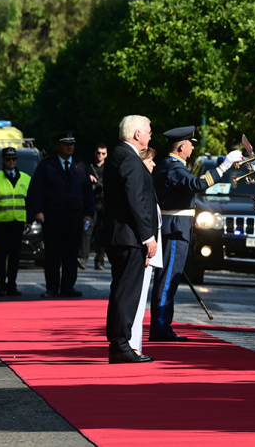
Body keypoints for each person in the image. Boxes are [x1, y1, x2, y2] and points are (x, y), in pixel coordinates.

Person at [150, 126, 243, 341]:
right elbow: (197, 184)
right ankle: (161, 327)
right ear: (182, 146)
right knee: (167, 281)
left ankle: (162, 326)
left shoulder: (173, 166)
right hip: (174, 229)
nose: (192, 147)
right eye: (190, 143)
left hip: (176, 227)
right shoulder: (174, 168)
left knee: (169, 279)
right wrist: (224, 167)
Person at [101, 115, 159, 364]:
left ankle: (119, 343)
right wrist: (148, 236)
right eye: (147, 131)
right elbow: (136, 202)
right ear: (136, 134)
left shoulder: (118, 154)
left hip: (120, 235)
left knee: (122, 289)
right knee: (127, 291)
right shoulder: (130, 159)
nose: (149, 135)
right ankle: (120, 344)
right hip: (128, 237)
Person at [28, 131, 95, 298]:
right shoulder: (47, 165)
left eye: (72, 143)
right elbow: (35, 190)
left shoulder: (80, 165)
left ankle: (68, 287)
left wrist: (88, 213)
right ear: (58, 146)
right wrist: (38, 211)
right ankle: (52, 287)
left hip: (74, 214)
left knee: (71, 252)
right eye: (66, 143)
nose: (70, 146)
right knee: (52, 253)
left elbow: (87, 191)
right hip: (53, 215)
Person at [131, 147, 162, 355]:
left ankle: (136, 345)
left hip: (149, 251)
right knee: (137, 301)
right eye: (150, 161)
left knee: (141, 303)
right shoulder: (141, 185)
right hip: (144, 250)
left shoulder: (147, 184)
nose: (153, 165)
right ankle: (132, 345)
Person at [0, 147, 30, 296]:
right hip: (1, 222)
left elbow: (29, 201)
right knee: (1, 255)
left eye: (13, 159)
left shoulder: (25, 178)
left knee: (15, 255)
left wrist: (29, 220)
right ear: (3, 160)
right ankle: (1, 286)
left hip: (18, 221)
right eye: (8, 159)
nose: (11, 161)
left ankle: (12, 285)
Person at [79, 144, 107, 270]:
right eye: (98, 153)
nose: (100, 155)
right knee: (87, 231)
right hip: (91, 204)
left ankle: (99, 261)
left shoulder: (109, 169)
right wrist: (87, 178)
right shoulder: (88, 169)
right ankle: (82, 258)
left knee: (103, 233)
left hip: (105, 204)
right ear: (95, 154)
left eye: (103, 153)